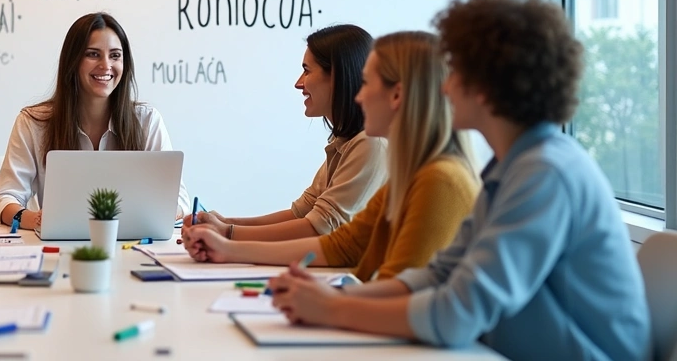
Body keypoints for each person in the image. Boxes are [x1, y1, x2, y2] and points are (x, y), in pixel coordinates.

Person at [269, 0, 650, 361]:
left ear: (486, 85)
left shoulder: (545, 175)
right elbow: (440, 274)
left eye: (456, 71)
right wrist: (335, 300)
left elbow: (456, 314)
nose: (444, 85)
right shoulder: (512, 168)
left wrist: (332, 310)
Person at [183, 31, 478, 282]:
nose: (359, 95)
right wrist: (226, 245)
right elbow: (342, 247)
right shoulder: (408, 175)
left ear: (397, 95)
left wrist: (229, 237)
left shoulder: (438, 179)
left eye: (367, 83)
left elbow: (404, 296)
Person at [0, 12, 190, 229]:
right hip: (58, 249)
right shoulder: (33, 123)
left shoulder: (147, 121)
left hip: (133, 244)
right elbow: (5, 198)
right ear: (73, 62)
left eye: (115, 56)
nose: (106, 66)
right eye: (93, 54)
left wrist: (148, 214)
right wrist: (35, 219)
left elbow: (179, 201)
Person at [192, 24, 387, 241]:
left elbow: (318, 228)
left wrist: (228, 234)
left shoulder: (370, 144)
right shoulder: (345, 141)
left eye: (307, 70)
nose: (298, 83)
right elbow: (301, 213)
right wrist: (226, 223)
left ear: (337, 76)